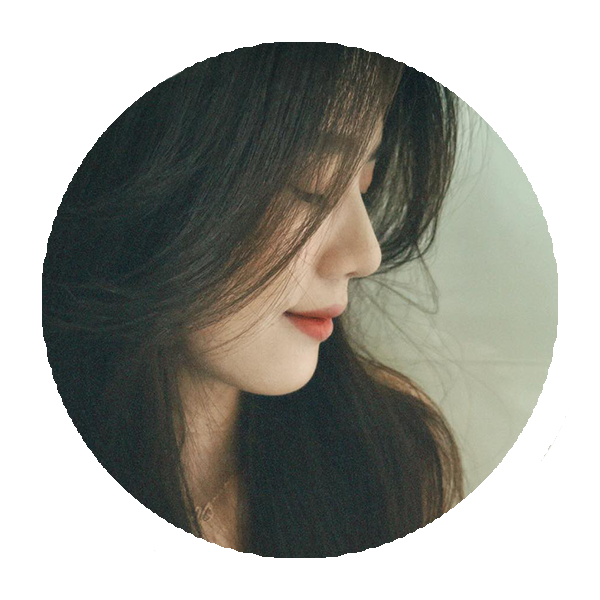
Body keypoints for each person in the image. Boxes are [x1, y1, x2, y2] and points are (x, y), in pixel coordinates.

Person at [42, 42, 464, 557]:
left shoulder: (394, 457)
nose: (365, 254)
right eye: (314, 182)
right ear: (146, 162)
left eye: (364, 181)